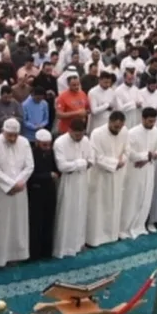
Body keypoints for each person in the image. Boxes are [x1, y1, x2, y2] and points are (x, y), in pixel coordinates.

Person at [0, 118, 33, 267]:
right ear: (3, 131)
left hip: (19, 190)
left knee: (16, 223)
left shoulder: (24, 142)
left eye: (15, 136)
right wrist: (10, 185)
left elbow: (29, 166)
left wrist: (18, 183)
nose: (12, 139)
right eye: (9, 135)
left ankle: (14, 255)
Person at [86, 110, 128, 246]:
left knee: (114, 205)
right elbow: (96, 157)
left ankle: (111, 235)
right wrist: (115, 163)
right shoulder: (97, 134)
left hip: (117, 175)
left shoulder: (124, 131)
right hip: (100, 177)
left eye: (120, 127)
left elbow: (127, 150)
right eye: (116, 127)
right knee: (99, 207)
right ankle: (95, 239)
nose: (118, 129)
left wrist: (123, 160)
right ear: (109, 122)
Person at [52, 118, 92, 258]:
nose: (79, 138)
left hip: (82, 181)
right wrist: (81, 163)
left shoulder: (86, 141)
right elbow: (62, 167)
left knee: (80, 212)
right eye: (76, 135)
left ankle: (78, 243)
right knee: (67, 213)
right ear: (69, 131)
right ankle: (64, 247)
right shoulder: (60, 142)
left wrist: (75, 165)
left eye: (81, 134)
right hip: (67, 183)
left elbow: (91, 160)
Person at [121, 108, 157, 238]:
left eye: (154, 121)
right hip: (134, 170)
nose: (152, 124)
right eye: (150, 121)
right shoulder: (132, 133)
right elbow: (130, 153)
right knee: (132, 198)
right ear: (143, 119)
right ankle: (125, 228)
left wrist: (151, 157)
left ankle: (139, 226)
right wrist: (146, 156)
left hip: (149, 169)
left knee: (146, 197)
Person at [27, 128, 58, 259]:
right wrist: (47, 175)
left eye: (48, 145)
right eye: (44, 145)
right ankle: (34, 253)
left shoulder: (51, 153)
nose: (47, 147)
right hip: (35, 191)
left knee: (49, 221)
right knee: (35, 223)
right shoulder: (31, 154)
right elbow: (30, 175)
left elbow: (57, 170)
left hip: (49, 191)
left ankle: (47, 251)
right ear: (37, 143)